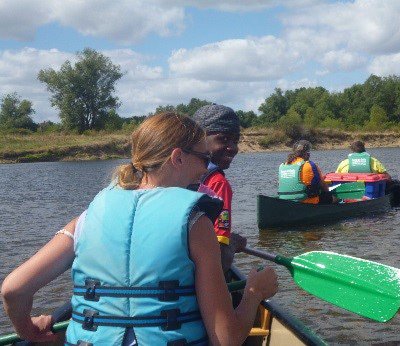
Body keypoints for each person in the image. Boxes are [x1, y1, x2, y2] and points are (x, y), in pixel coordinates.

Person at [1, 113, 278, 345]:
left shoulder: (87, 217)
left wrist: (27, 330)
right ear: (178, 157)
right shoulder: (195, 222)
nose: (206, 170)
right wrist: (254, 294)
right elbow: (226, 338)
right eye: (204, 159)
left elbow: (14, 289)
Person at [192, 104, 247, 274]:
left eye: (235, 140)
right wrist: (231, 244)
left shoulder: (174, 175)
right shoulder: (217, 183)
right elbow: (220, 260)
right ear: (200, 139)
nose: (233, 147)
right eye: (223, 139)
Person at [278, 140, 337, 204]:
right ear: (307, 154)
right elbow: (323, 185)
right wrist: (329, 195)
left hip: (285, 200)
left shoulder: (283, 165)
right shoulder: (310, 165)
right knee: (336, 198)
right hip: (307, 202)